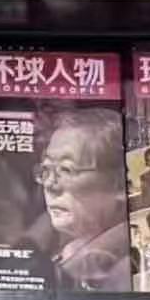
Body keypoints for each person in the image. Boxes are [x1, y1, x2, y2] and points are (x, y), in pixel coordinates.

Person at [34, 109, 131, 289]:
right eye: (46, 169)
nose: (50, 184)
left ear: (120, 183)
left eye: (66, 170)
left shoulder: (125, 271)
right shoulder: (70, 252)